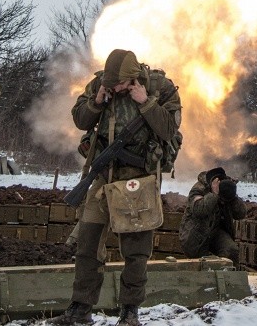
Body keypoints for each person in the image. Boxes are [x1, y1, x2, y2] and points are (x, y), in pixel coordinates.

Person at [49, 49, 182, 326]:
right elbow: (80, 120)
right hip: (103, 176)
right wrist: (96, 102)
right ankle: (80, 308)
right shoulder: (100, 85)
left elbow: (169, 130)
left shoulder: (161, 88)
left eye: (119, 84)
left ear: (134, 78)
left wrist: (145, 103)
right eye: (111, 84)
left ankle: (130, 310)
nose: (114, 88)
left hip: (139, 180)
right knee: (87, 245)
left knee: (135, 252)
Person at [178, 167, 246, 267]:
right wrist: (214, 194)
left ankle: (228, 279)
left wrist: (232, 196)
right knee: (202, 265)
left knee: (231, 250)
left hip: (216, 232)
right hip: (196, 236)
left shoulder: (225, 188)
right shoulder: (198, 189)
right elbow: (199, 210)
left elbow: (240, 214)